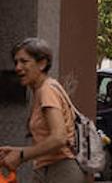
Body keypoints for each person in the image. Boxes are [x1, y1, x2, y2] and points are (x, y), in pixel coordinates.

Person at [0, 38, 87, 183]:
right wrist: (16, 150)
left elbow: (59, 138)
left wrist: (21, 155)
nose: (17, 68)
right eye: (16, 62)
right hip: (50, 170)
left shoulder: (47, 90)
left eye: (24, 61)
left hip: (61, 171)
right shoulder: (43, 90)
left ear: (42, 63)